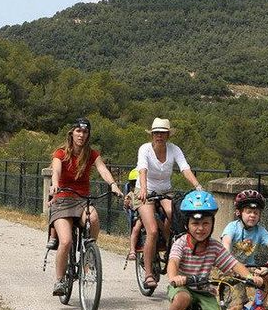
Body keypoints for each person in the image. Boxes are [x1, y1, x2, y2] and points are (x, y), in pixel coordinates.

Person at [162, 190, 263, 310]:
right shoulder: (180, 243)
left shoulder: (214, 247)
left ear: (212, 224)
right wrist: (174, 277)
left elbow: (233, 264)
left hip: (204, 292)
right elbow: (173, 262)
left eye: (206, 223)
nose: (200, 228)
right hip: (182, 288)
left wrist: (249, 277)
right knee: (182, 299)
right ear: (187, 224)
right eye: (195, 223)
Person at [47, 117, 123, 296]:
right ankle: (59, 280)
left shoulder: (92, 154)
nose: (81, 135)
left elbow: (103, 169)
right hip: (63, 199)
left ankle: (89, 253)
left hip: (82, 200)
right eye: (78, 131)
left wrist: (113, 184)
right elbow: (56, 170)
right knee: (66, 241)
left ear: (88, 135)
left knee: (94, 217)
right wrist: (55, 184)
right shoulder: (61, 153)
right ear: (72, 133)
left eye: (85, 132)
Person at [133, 117, 204, 290]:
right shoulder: (145, 149)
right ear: (152, 135)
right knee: (152, 230)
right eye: (156, 133)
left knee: (174, 214)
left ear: (168, 135)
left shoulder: (174, 149)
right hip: (144, 192)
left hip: (165, 191)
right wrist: (143, 189)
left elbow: (185, 168)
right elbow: (142, 169)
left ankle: (169, 243)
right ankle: (149, 273)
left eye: (163, 133)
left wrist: (198, 186)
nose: (159, 136)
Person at [123, 169, 143, 261]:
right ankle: (132, 250)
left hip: (152, 215)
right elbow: (126, 204)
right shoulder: (131, 194)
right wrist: (127, 202)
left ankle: (169, 243)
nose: (135, 186)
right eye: (133, 184)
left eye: (137, 183)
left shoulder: (147, 190)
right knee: (135, 229)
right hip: (140, 216)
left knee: (162, 224)